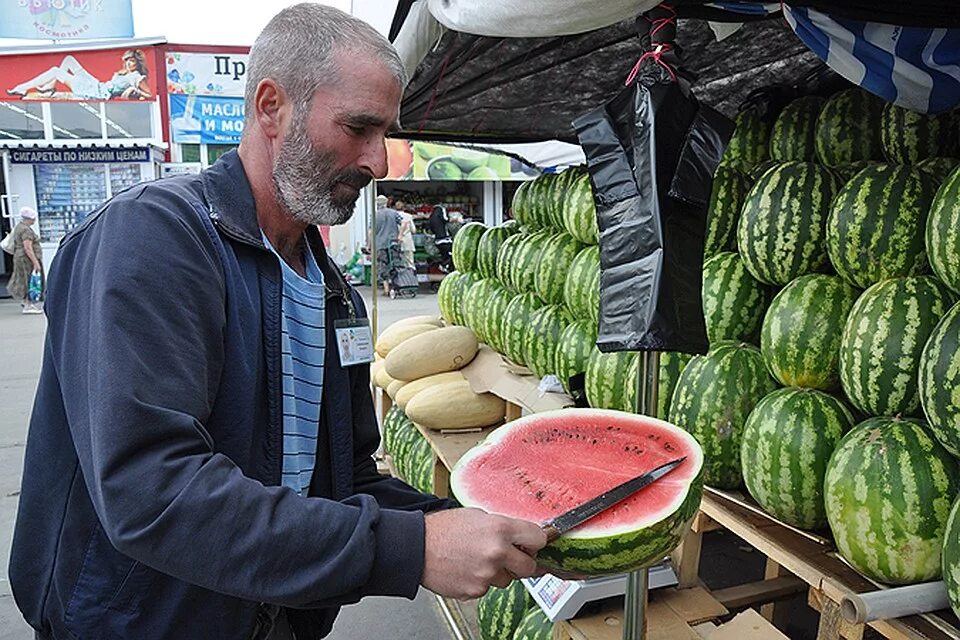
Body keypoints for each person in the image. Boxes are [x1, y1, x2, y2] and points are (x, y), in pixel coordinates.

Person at [8, 5, 547, 640]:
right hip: (141, 622)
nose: (378, 161)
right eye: (358, 128)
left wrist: (473, 522)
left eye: (387, 133)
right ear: (271, 107)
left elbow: (344, 480)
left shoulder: (330, 288)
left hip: (271, 618)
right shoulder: (154, 239)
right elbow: (153, 491)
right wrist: (411, 548)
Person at [7, 49, 152, 100]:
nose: (128, 64)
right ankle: (49, 86)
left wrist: (134, 91)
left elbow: (150, 95)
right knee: (69, 59)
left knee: (55, 71)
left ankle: (22, 87)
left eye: (131, 61)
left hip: (98, 93)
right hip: (96, 85)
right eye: (127, 61)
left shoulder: (137, 77)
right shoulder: (125, 73)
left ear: (137, 62)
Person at [6, 207, 44, 314]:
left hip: (19, 257)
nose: (34, 220)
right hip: (26, 259)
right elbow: (28, 247)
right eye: (33, 218)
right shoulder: (26, 230)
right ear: (29, 218)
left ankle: (25, 301)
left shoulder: (19, 227)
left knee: (22, 278)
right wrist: (35, 262)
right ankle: (28, 304)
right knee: (29, 280)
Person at [373, 193, 402, 296]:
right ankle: (395, 287)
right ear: (386, 203)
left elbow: (371, 232)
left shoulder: (374, 215)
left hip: (380, 244)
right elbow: (403, 222)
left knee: (382, 266)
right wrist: (400, 235)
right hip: (393, 242)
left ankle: (386, 289)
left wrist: (370, 245)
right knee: (395, 264)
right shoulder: (393, 213)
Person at [428, 204, 453, 271]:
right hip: (445, 239)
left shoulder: (432, 215)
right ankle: (445, 267)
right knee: (452, 254)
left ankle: (444, 267)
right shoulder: (441, 209)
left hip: (438, 240)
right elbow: (446, 219)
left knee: (445, 255)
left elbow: (431, 228)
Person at [396, 199, 416, 270]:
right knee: (410, 261)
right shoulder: (408, 216)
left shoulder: (393, 216)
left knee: (399, 261)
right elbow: (413, 230)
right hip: (408, 240)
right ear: (404, 208)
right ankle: (411, 276)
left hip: (397, 241)